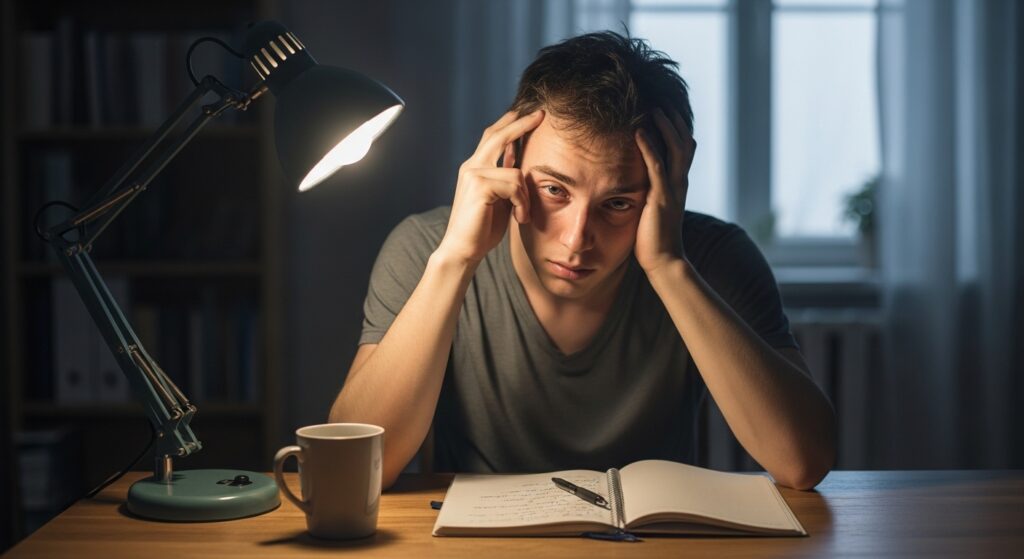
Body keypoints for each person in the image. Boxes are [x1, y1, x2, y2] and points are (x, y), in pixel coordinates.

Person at [329, 31, 836, 490]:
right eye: (554, 190)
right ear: (509, 160)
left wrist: (668, 266)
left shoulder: (714, 257)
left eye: (618, 203)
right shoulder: (426, 248)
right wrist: (455, 260)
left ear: (666, 193)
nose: (576, 239)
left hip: (655, 543)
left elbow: (803, 462)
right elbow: (351, 465)